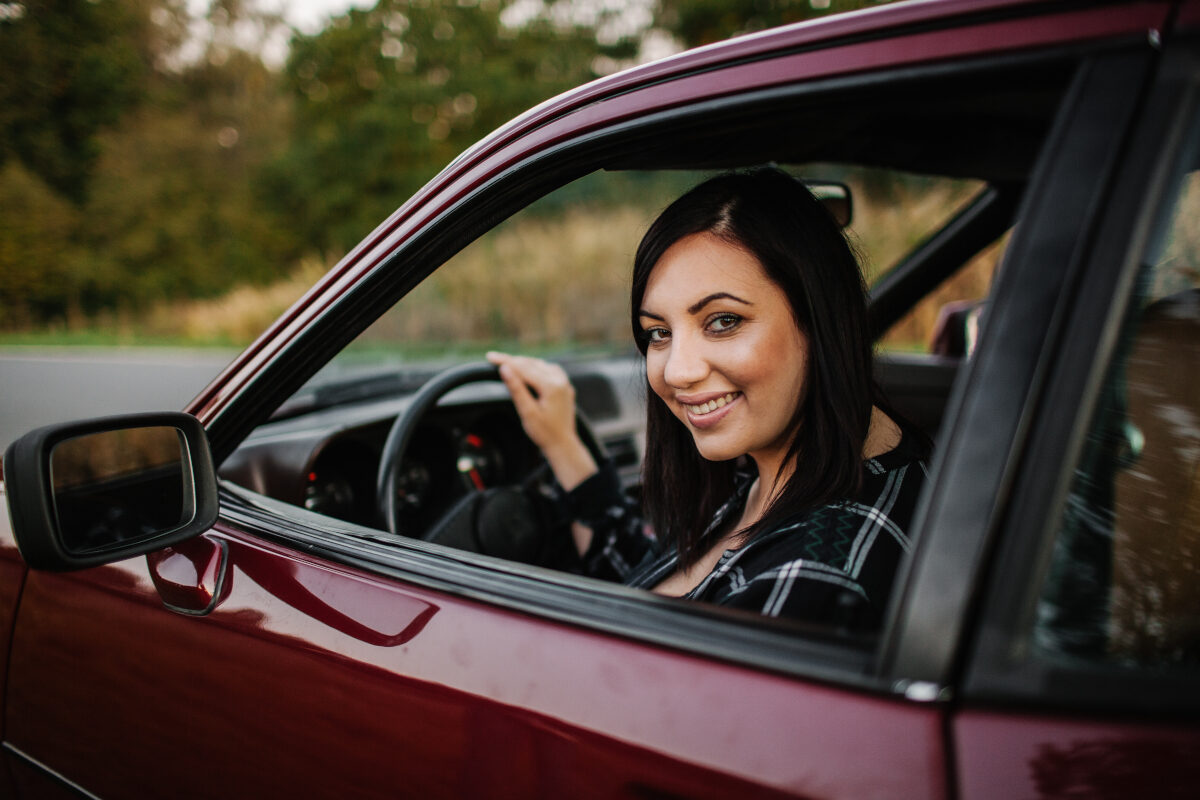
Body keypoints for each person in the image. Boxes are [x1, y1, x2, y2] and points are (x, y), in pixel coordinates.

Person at [487, 167, 929, 628]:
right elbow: (648, 584)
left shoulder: (810, 586)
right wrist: (563, 445)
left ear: (819, 320)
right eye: (659, 333)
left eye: (723, 321)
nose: (678, 370)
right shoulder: (785, 472)